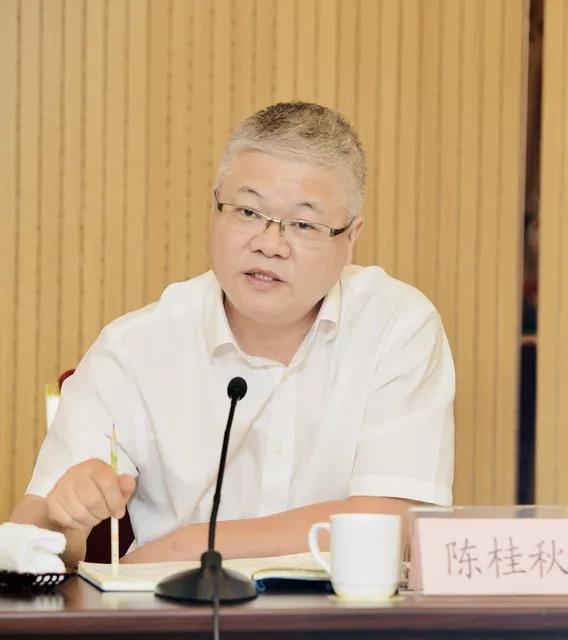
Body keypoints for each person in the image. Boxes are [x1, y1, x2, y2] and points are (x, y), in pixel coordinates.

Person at [10, 102, 454, 567]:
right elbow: (30, 534)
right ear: (214, 209)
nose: (269, 244)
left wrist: (189, 548)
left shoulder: (397, 327)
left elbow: (391, 524)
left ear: (351, 237)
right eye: (246, 211)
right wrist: (63, 522)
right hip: (172, 611)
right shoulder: (134, 348)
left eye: (303, 224)